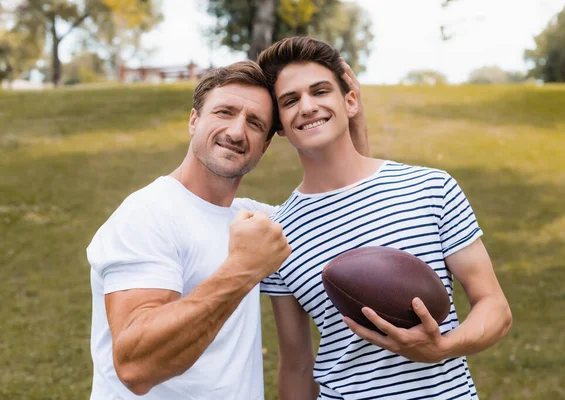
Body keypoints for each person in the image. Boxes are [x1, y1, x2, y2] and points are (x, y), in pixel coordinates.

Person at [86, 60, 367, 399]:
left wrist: (354, 121)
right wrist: (242, 270)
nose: (236, 132)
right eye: (224, 112)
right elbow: (135, 367)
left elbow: (349, 213)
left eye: (254, 123)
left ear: (264, 146)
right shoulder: (148, 214)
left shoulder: (255, 221)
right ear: (194, 120)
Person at [258, 36, 513, 400]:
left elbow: (495, 307)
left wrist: (441, 347)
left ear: (350, 101)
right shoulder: (276, 234)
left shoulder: (431, 188)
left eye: (320, 91)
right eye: (290, 100)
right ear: (280, 124)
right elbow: (296, 364)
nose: (308, 107)